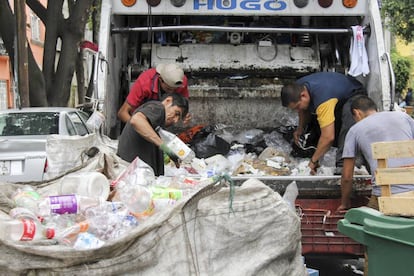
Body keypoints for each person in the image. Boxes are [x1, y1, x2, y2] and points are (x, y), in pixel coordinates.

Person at [337, 95, 414, 211]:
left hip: (384, 196)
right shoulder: (403, 117)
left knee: (361, 224)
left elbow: (347, 176)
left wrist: (345, 203)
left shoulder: (355, 130)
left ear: (357, 113)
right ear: (375, 109)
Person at [281, 72, 366, 175]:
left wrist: (313, 162)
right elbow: (302, 111)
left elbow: (328, 137)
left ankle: (345, 165)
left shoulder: (323, 100)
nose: (297, 110)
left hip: (354, 94)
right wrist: (300, 129)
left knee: (348, 126)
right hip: (336, 93)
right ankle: (319, 151)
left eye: (297, 106)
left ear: (303, 95)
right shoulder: (298, 88)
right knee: (315, 125)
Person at [117, 93, 189, 176]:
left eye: (179, 118)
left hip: (137, 176)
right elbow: (136, 120)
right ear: (168, 101)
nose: (175, 120)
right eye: (176, 113)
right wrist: (165, 147)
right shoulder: (158, 108)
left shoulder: (157, 123)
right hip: (133, 175)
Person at [117, 63, 191, 124]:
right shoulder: (144, 82)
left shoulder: (181, 82)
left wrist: (184, 115)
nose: (171, 92)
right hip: (139, 118)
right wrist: (138, 127)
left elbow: (183, 106)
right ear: (160, 79)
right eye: (168, 89)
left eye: (175, 89)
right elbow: (122, 113)